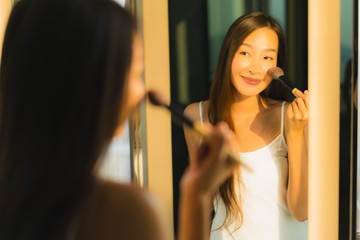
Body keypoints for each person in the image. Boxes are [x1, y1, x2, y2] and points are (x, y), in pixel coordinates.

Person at [0, 0, 239, 240]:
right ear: (92, 83)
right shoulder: (124, 211)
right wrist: (197, 196)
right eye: (136, 72)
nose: (143, 91)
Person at [184, 12, 309, 240]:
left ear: (277, 66)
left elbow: (301, 212)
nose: (255, 68)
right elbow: (200, 203)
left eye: (267, 58)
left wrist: (299, 132)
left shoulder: (289, 116)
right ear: (228, 54)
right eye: (244, 53)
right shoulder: (196, 116)